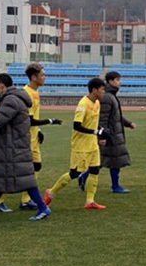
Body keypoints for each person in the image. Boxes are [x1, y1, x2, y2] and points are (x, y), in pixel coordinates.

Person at [0, 73, 52, 221]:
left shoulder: (10, 100)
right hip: (13, 144)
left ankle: (43, 208)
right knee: (3, 177)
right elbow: (2, 116)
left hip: (12, 145)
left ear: (1, 86)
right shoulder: (13, 98)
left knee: (25, 180)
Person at [44, 78, 109, 210]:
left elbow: (94, 122)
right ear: (94, 90)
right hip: (81, 145)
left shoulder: (97, 103)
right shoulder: (83, 105)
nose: (104, 92)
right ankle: (51, 192)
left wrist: (100, 132)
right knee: (74, 173)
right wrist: (95, 132)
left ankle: (90, 201)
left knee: (95, 170)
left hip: (92, 144)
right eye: (102, 89)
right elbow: (76, 126)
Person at [18, 63, 62, 210]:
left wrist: (38, 131)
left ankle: (26, 200)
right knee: (25, 168)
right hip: (26, 137)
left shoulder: (35, 92)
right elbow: (29, 120)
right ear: (33, 77)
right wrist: (50, 121)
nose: (45, 77)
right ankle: (2, 200)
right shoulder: (27, 93)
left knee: (36, 166)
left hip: (33, 135)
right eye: (42, 75)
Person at [96, 70, 136, 194]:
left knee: (106, 160)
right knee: (113, 160)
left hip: (113, 133)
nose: (120, 82)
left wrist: (128, 123)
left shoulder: (111, 96)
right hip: (111, 134)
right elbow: (103, 117)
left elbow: (116, 116)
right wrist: (102, 135)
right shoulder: (107, 97)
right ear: (110, 81)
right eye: (118, 80)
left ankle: (84, 177)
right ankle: (115, 186)